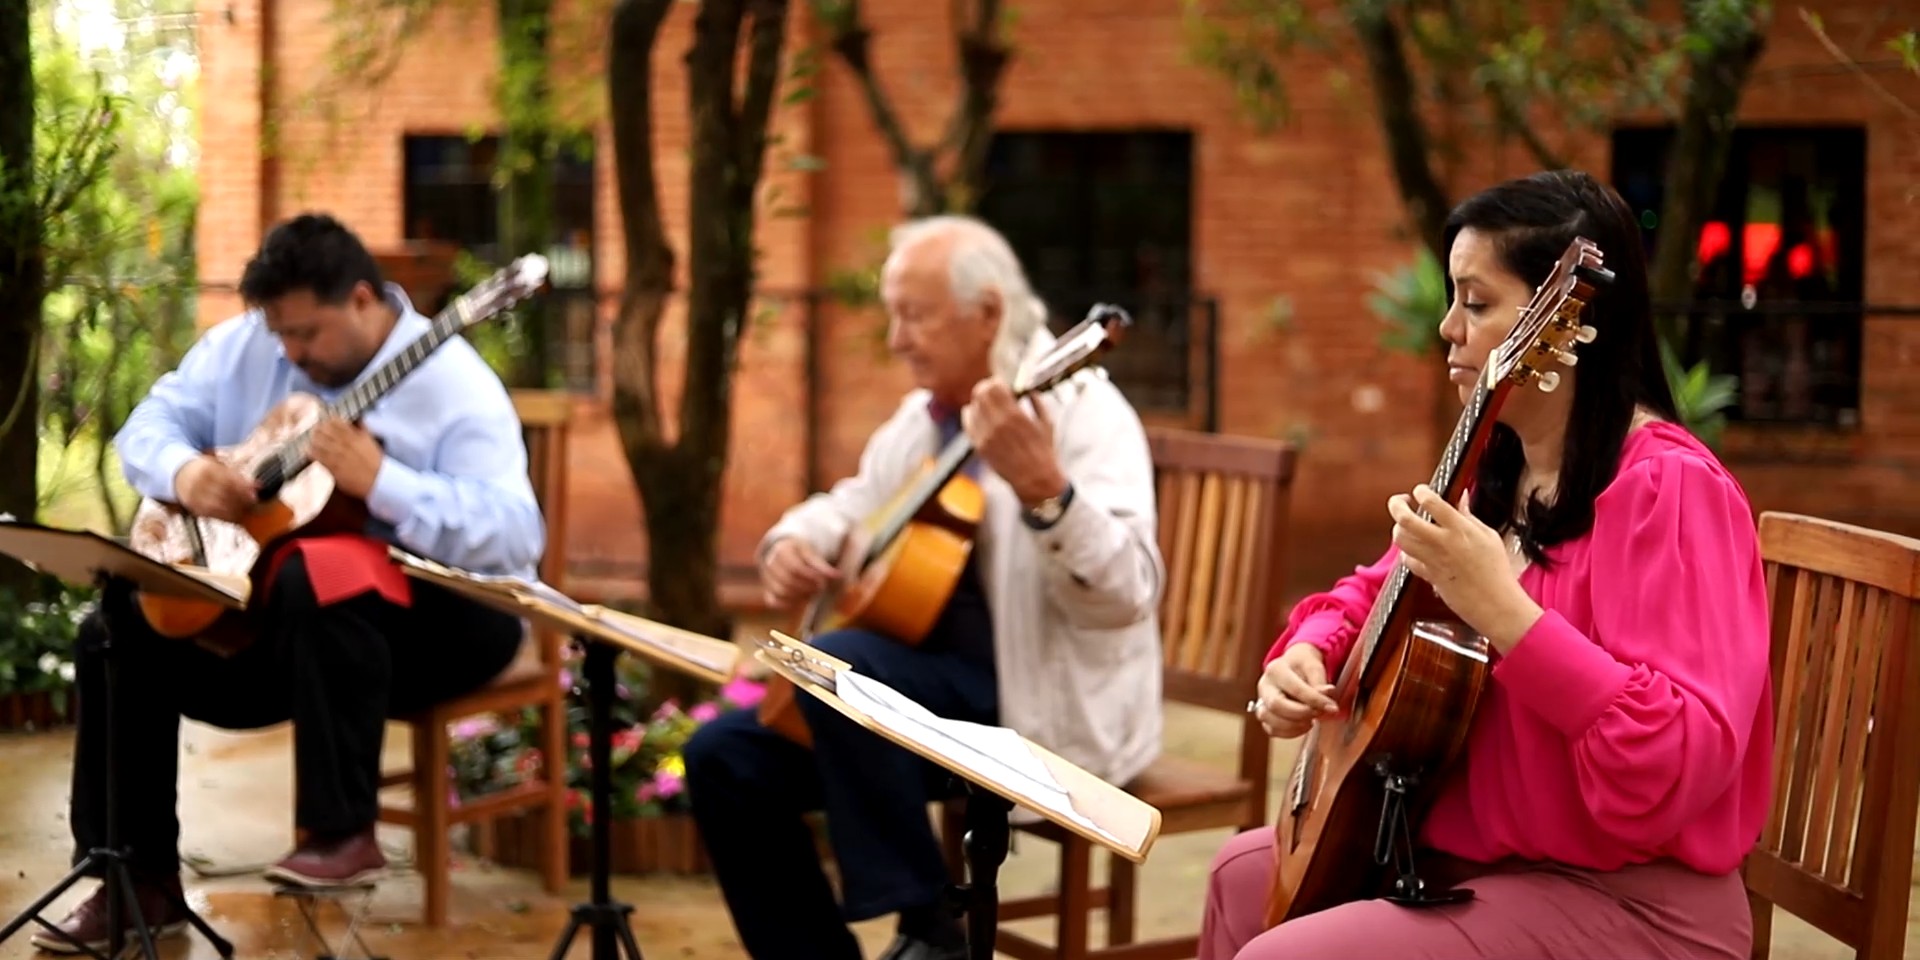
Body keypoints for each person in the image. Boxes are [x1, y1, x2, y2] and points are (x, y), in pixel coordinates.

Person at [1203, 170, 1774, 960]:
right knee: (1238, 873)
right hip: (1483, 861)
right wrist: (1312, 647)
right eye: (1451, 299)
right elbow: (1372, 590)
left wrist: (1503, 611)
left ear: (1567, 323)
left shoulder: (1671, 490)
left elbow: (1679, 756)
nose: (1446, 327)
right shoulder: (1492, 472)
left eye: (1475, 302)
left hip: (1628, 900)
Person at [34, 213, 544, 954]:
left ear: (363, 299)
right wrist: (185, 471)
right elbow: (151, 421)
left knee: (325, 569)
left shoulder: (456, 384)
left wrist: (386, 484)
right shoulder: (252, 343)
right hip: (289, 628)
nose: (290, 352)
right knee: (118, 622)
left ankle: (343, 831)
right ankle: (134, 881)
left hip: (447, 621)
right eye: (280, 334)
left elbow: (516, 536)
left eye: (306, 334)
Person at [683, 215, 1165, 960]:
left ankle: (929, 924)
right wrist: (793, 541)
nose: (895, 338)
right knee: (724, 756)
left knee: (845, 665)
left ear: (989, 314)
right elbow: (849, 503)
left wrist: (1049, 495)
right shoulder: (925, 419)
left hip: (1039, 700)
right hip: (901, 712)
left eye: (913, 315)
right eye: (891, 314)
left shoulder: (1085, 416)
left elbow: (1129, 593)